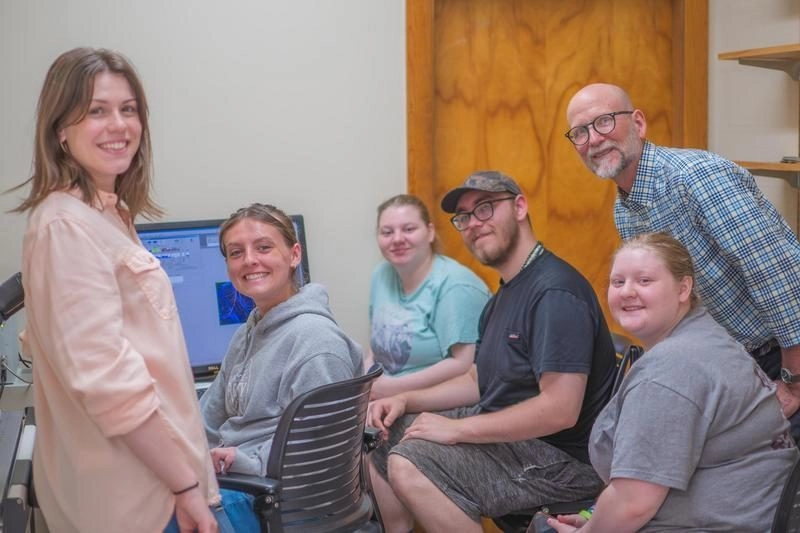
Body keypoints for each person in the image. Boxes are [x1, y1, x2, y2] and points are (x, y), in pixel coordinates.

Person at [12, 48, 221, 533]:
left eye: (128, 110)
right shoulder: (63, 226)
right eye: (96, 111)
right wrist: (185, 486)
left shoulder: (106, 214)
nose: (119, 125)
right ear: (60, 130)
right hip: (138, 499)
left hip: (157, 477)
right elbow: (109, 383)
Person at [367, 171, 617, 533]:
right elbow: (477, 379)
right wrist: (406, 399)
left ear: (519, 207)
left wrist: (458, 430)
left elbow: (560, 410)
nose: (473, 224)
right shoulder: (503, 296)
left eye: (485, 208)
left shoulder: (554, 293)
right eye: (464, 217)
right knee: (383, 431)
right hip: (516, 442)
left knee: (411, 462)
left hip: (563, 461)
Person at [565, 83, 800, 436]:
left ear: (639, 124)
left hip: (782, 355)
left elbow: (778, 276)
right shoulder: (624, 210)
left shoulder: (696, 177)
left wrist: (793, 377)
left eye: (604, 122)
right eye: (580, 133)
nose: (594, 140)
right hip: (730, 364)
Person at [548, 232, 798, 532]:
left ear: (683, 288)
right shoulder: (710, 339)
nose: (627, 291)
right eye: (618, 282)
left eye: (644, 281)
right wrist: (597, 516)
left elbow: (633, 504)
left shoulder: (671, 370)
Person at [200, 203, 363, 529]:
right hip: (239, 478)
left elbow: (318, 454)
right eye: (236, 252)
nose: (249, 260)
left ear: (294, 254)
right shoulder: (247, 332)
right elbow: (207, 416)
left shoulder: (315, 343)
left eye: (263, 247)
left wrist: (243, 461)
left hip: (270, 495)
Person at [366, 194, 490, 399]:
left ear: (430, 232)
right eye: (387, 232)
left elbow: (463, 364)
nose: (397, 239)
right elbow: (377, 344)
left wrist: (390, 389)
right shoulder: (381, 275)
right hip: (383, 396)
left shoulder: (456, 285)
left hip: (440, 402)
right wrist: (365, 379)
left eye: (409, 229)